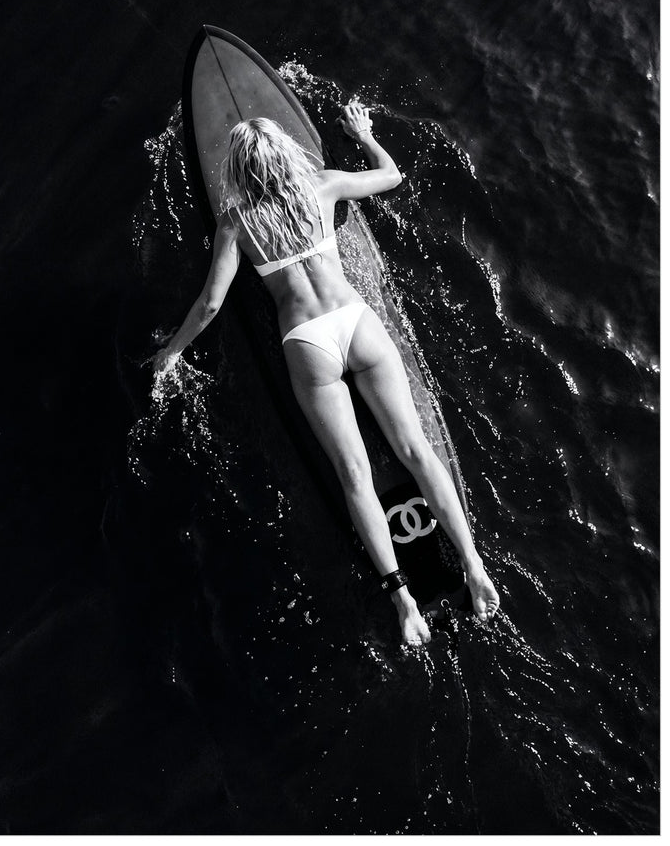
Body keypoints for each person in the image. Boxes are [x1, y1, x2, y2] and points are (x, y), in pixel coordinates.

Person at [152, 102, 499, 645]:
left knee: (354, 475)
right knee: (414, 450)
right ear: (286, 154)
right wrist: (363, 134)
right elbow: (392, 176)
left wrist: (171, 351)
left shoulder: (237, 222)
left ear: (240, 171)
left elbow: (212, 304)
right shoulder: (323, 185)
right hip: (358, 325)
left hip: (308, 344)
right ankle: (474, 567)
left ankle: (404, 603)